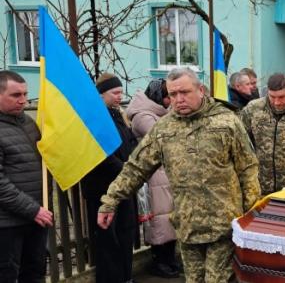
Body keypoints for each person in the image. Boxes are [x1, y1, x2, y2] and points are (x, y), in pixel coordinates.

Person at [97, 67, 261, 283]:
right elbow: (136, 168)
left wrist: (250, 214)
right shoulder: (164, 128)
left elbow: (248, 169)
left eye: (184, 92)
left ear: (200, 90)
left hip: (223, 226)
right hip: (187, 226)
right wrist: (110, 201)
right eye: (173, 94)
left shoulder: (227, 122)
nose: (179, 99)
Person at [81, 73, 138, 283]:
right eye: (114, 92)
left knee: (126, 233)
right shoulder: (94, 118)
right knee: (107, 238)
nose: (119, 96)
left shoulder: (118, 115)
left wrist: (132, 167)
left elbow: (131, 143)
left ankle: (126, 276)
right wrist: (125, 170)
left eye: (120, 92)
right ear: (101, 94)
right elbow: (102, 153)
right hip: (102, 187)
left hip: (123, 186)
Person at [0, 70, 53, 283]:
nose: (23, 100)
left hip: (35, 219)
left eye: (25, 94)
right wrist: (33, 210)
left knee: (34, 273)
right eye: (15, 95)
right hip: (7, 225)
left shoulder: (28, 123)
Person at [125, 79, 180, 278]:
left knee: (170, 218)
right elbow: (164, 138)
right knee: (159, 220)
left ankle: (170, 259)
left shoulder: (159, 113)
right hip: (155, 176)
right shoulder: (143, 116)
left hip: (167, 174)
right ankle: (160, 261)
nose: (170, 101)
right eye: (168, 97)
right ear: (158, 96)